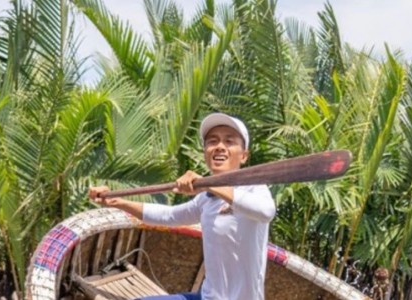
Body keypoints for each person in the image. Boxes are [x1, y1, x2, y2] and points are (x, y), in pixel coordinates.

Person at [89, 113, 276, 300]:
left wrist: (209, 183)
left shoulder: (254, 187)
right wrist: (117, 202)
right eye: (212, 141)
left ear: (243, 156)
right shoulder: (206, 198)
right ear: (205, 152)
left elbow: (266, 212)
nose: (219, 147)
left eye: (229, 141)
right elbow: (169, 216)